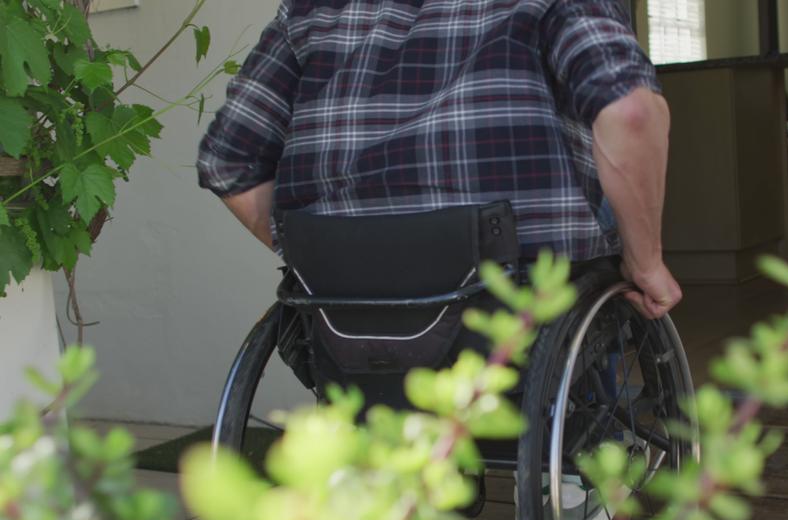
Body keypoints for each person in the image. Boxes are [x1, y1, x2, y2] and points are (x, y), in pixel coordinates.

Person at [197, 0, 681, 319]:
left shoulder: (306, 9)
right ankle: (579, 457)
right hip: (515, 298)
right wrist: (647, 263)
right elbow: (630, 114)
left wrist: (310, 258)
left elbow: (228, 160)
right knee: (597, 238)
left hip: (350, 311)